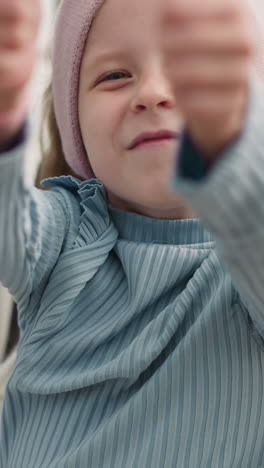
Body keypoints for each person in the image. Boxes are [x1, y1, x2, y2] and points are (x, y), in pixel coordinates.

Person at [0, 0, 264, 466]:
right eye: (115, 76)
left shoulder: (246, 265)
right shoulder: (67, 234)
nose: (155, 93)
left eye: (193, 72)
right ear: (73, 122)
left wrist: (230, 154)